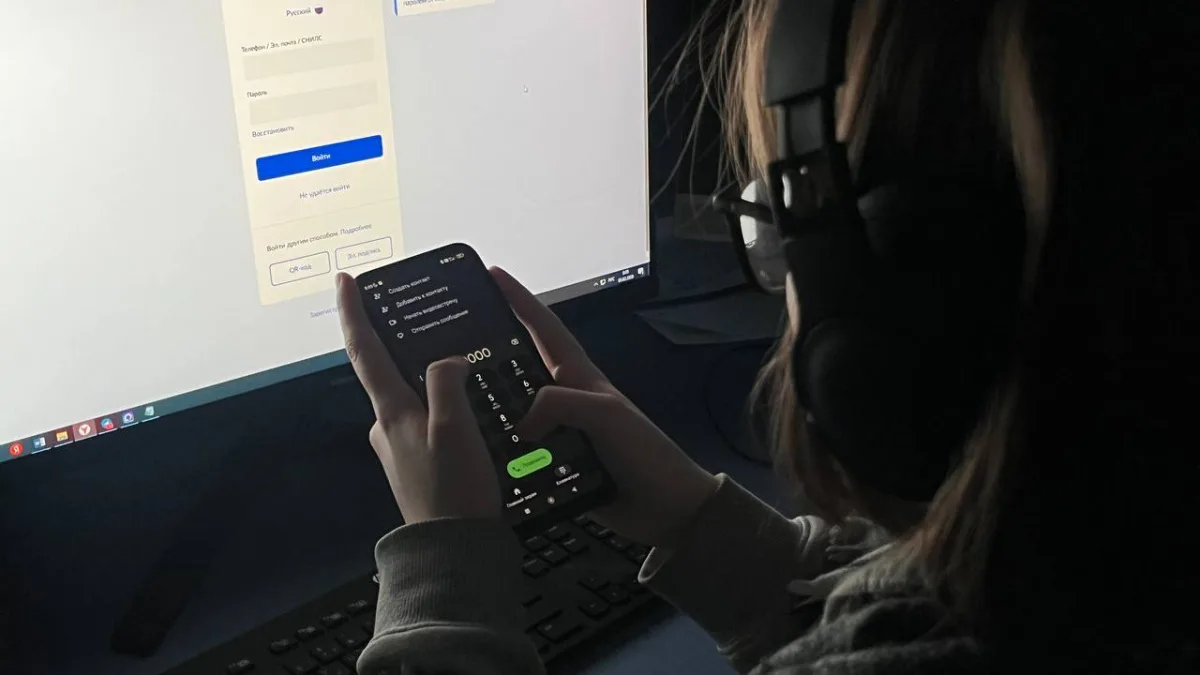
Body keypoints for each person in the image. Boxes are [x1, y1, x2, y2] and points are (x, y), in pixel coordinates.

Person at [335, 1, 1195, 673]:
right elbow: (930, 606)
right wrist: (698, 520)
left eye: (782, 226)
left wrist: (445, 574)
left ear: (887, 326)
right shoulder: (1113, 566)